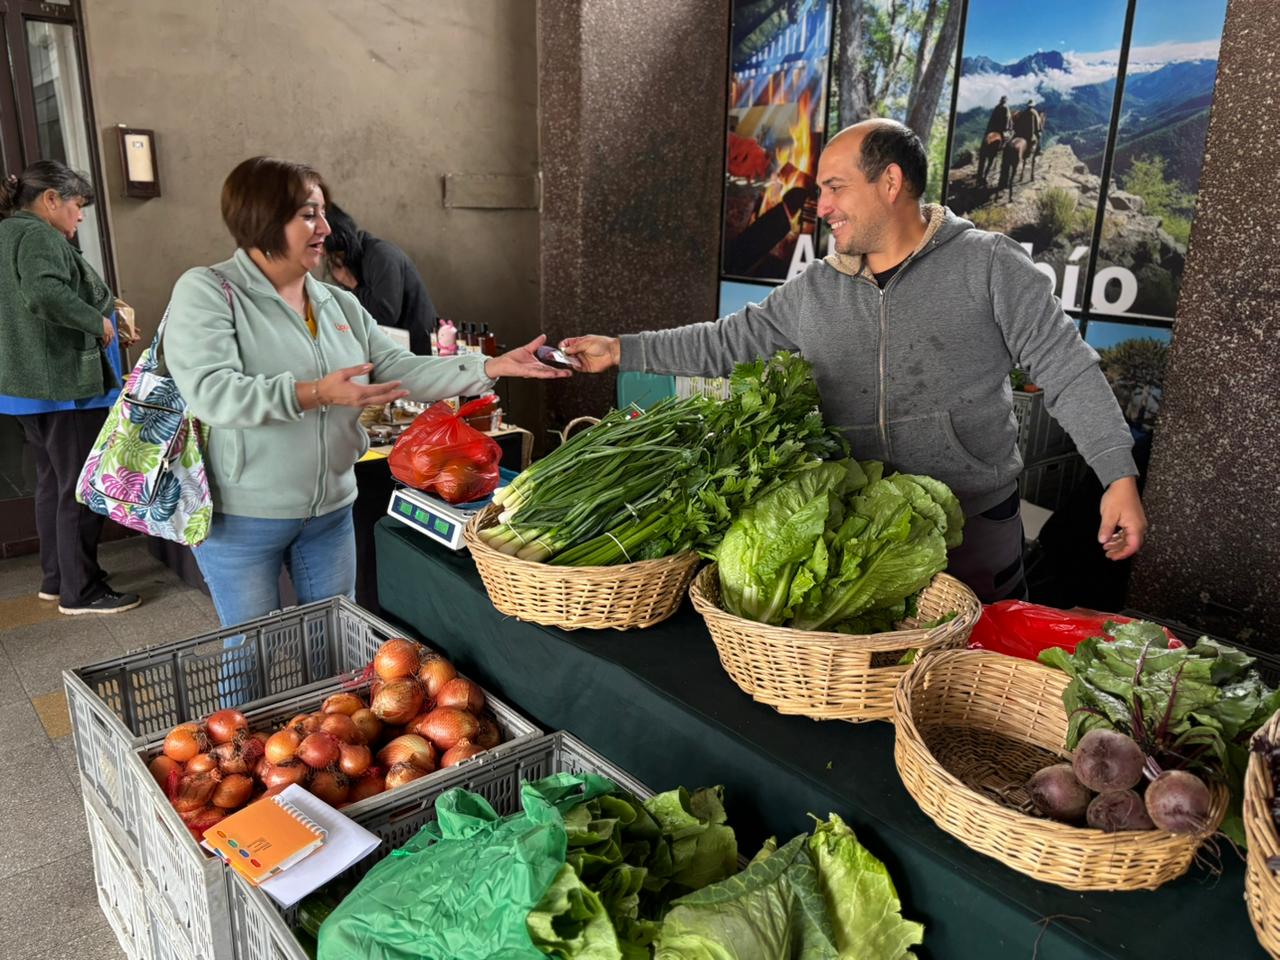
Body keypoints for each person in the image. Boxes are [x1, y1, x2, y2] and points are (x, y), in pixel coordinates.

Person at [561, 119, 1147, 603]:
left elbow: (1067, 367)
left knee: (968, 677)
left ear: (890, 182)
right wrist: (620, 350)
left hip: (974, 527)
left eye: (836, 188)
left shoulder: (990, 265)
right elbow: (725, 341)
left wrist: (1117, 473)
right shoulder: (816, 288)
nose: (822, 206)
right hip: (859, 526)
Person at [164, 156, 568, 627]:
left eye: (323, 212)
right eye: (308, 214)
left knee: (338, 641)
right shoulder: (209, 291)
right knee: (251, 653)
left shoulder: (336, 301)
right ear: (262, 219)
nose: (326, 228)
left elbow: (395, 368)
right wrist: (318, 393)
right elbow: (213, 393)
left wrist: (491, 365)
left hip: (331, 510)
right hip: (245, 515)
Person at [0, 161, 142, 615]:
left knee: (52, 483)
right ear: (50, 200)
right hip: (62, 385)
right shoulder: (37, 236)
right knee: (81, 486)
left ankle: (57, 576)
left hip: (29, 387)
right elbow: (43, 294)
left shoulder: (9, 235)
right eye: (77, 205)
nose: (80, 217)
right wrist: (99, 322)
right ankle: (81, 592)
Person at [323, 203, 436, 355]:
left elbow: (385, 315)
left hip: (417, 354)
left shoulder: (382, 256)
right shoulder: (351, 261)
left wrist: (352, 284)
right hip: (393, 351)